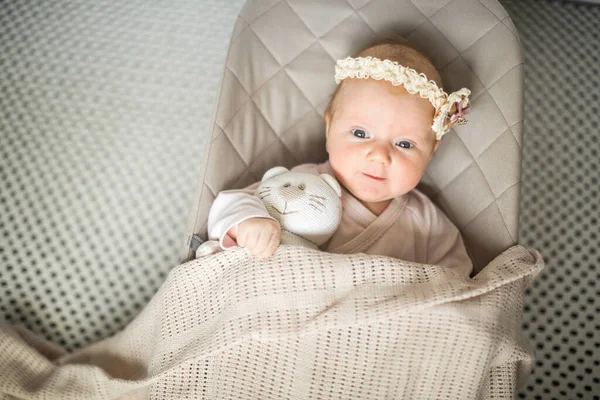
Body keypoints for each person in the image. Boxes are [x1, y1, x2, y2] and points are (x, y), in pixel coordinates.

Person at [207, 37, 473, 277]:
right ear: (329, 128)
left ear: (431, 151)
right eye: (360, 133)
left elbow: (457, 283)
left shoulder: (428, 223)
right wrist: (249, 224)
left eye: (404, 143)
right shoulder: (303, 183)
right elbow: (232, 205)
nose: (379, 155)